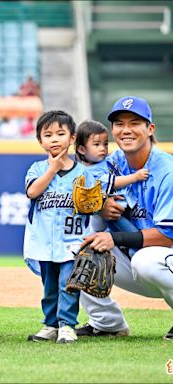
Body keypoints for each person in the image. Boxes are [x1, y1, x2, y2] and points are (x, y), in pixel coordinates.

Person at [75, 96, 173, 340]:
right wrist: (100, 205)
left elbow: (166, 235)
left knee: (146, 260)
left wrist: (113, 237)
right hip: (135, 261)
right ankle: (107, 323)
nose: (126, 130)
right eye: (119, 123)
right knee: (73, 247)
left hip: (162, 258)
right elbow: (78, 192)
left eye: (134, 123)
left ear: (149, 129)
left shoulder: (167, 170)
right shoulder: (111, 164)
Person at [24, 110, 94, 344]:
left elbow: (91, 206)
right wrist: (52, 168)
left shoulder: (84, 173)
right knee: (50, 287)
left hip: (73, 240)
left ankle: (66, 325)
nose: (54, 139)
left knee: (68, 284)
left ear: (72, 138)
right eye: (48, 134)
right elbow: (32, 192)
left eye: (60, 133)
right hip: (44, 241)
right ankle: (50, 324)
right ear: (40, 141)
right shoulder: (36, 169)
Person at [75, 119, 149, 233]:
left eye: (105, 144)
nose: (102, 148)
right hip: (107, 213)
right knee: (119, 223)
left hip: (121, 206)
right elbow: (113, 182)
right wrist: (135, 177)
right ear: (82, 149)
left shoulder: (105, 160)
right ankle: (136, 244)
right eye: (96, 144)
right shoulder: (87, 172)